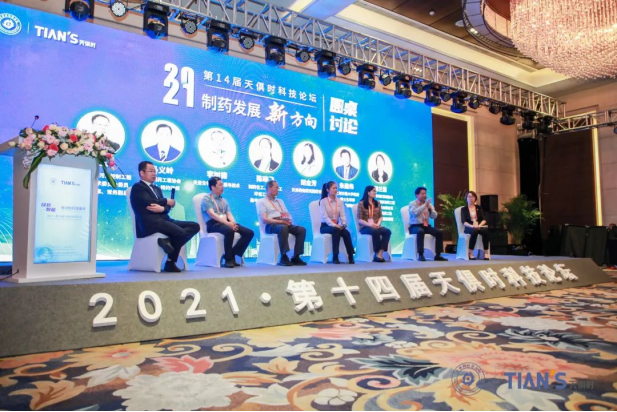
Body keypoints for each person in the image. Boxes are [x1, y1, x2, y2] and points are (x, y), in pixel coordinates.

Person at [130, 161, 200, 272]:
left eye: (155, 171)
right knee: (180, 233)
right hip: (150, 223)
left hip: (164, 219)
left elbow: (166, 208)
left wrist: (163, 208)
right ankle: (170, 262)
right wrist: (167, 201)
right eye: (151, 171)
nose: (154, 174)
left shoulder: (157, 189)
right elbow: (150, 202)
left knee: (194, 226)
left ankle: (169, 242)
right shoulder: (138, 187)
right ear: (142, 173)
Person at [201, 176, 254, 268]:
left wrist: (233, 223)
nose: (222, 187)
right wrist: (228, 224)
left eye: (223, 184)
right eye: (220, 185)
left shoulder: (223, 200)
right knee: (229, 231)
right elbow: (212, 215)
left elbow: (229, 214)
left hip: (226, 222)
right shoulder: (207, 198)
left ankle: (233, 254)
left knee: (249, 233)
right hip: (213, 224)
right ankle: (228, 259)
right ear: (213, 187)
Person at [258, 180, 307, 266]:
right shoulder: (262, 202)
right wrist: (280, 221)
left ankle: (296, 256)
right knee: (283, 228)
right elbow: (264, 219)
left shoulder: (280, 201)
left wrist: (288, 219)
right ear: (269, 188)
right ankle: (284, 256)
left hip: (283, 222)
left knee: (301, 230)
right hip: (271, 225)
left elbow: (286, 213)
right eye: (276, 188)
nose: (278, 190)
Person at [408, 187, 448, 261]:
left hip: (425, 226)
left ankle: (438, 255)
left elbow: (434, 216)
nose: (425, 195)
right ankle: (420, 254)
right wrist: (425, 205)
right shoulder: (412, 204)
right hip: (415, 226)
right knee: (420, 231)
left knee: (439, 232)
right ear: (417, 195)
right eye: (422, 194)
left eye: (425, 194)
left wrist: (430, 209)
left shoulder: (428, 205)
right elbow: (415, 213)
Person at [319, 181, 355, 264]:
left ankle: (350, 255)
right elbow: (325, 217)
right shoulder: (323, 201)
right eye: (333, 188)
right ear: (328, 190)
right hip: (325, 226)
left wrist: (344, 223)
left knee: (346, 233)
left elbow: (342, 215)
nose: (336, 190)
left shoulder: (340, 202)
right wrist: (334, 225)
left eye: (336, 188)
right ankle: (335, 256)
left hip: (337, 225)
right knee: (336, 230)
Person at [357, 186, 391, 262]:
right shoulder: (361, 203)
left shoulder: (377, 203)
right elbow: (359, 219)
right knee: (375, 231)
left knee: (387, 231)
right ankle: (376, 253)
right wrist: (370, 225)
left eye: (375, 191)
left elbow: (381, 216)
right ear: (368, 192)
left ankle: (380, 253)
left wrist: (378, 223)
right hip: (365, 227)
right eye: (373, 191)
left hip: (376, 225)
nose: (375, 192)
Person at [461, 190, 491, 260]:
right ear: (466, 198)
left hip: (479, 225)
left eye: (472, 197)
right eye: (469, 197)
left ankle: (486, 252)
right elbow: (464, 222)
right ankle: (470, 252)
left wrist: (479, 225)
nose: (471, 198)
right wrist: (473, 226)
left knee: (485, 231)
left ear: (475, 198)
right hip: (469, 227)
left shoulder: (479, 207)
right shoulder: (464, 209)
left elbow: (484, 219)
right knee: (474, 231)